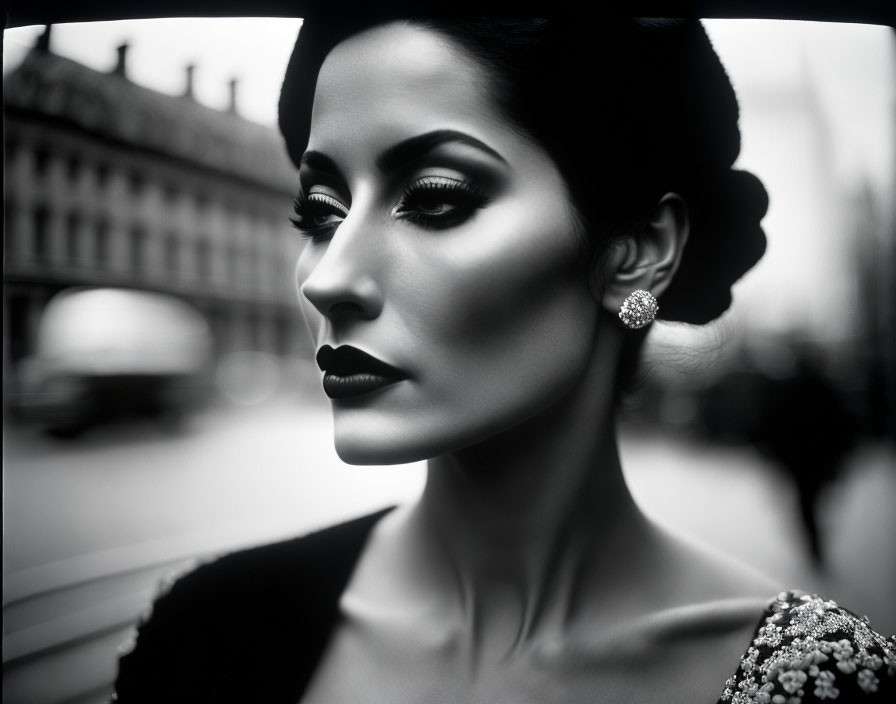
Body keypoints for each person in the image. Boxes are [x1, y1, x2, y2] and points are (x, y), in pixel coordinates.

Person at [112, 14, 895, 703]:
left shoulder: (815, 679)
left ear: (637, 252)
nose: (327, 279)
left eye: (434, 196)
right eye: (320, 211)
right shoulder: (205, 632)